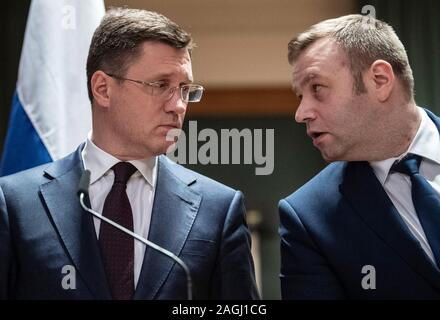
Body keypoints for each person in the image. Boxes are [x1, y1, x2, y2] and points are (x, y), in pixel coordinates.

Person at [0, 8, 259, 300]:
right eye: (161, 85)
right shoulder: (15, 204)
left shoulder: (218, 209)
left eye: (185, 89)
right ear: (103, 89)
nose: (179, 106)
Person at [279, 14, 440, 299]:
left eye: (317, 88)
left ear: (380, 80)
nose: (301, 113)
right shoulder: (307, 217)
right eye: (299, 96)